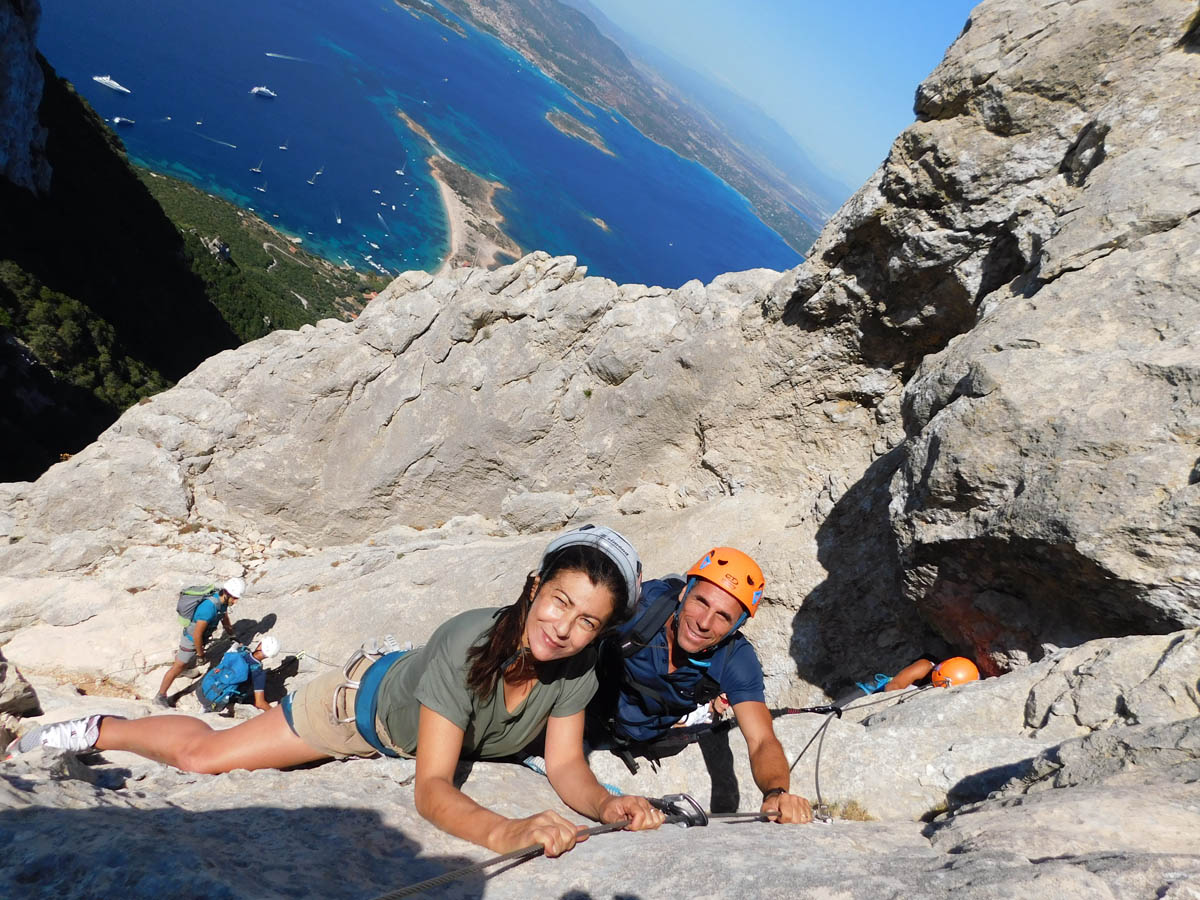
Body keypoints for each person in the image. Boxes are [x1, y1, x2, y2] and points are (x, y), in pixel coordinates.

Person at [7, 525, 666, 856]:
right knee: (203, 757)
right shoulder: (470, 642)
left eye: (589, 621)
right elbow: (432, 789)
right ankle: (99, 731)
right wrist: (506, 831)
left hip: (409, 703)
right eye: (559, 602)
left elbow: (566, 763)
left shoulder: (579, 668)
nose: (566, 628)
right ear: (533, 588)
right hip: (356, 711)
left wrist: (608, 807)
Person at [590, 547, 813, 825]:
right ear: (684, 592)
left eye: (723, 616)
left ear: (737, 627)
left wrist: (776, 792)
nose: (704, 623)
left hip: (644, 738)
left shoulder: (735, 659)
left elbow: (761, 740)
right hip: (583, 718)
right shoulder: (639, 608)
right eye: (701, 602)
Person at [156, 577, 245, 708]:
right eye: (234, 598)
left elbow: (224, 617)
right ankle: (160, 696)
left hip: (199, 638)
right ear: (226, 594)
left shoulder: (222, 602)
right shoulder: (208, 608)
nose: (236, 601)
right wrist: (200, 655)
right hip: (191, 640)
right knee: (178, 665)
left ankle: (183, 669)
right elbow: (197, 634)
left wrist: (231, 634)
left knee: (183, 662)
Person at [197, 636, 281, 714]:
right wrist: (275, 713)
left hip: (202, 688)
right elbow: (260, 703)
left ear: (260, 645)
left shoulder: (239, 651)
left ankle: (204, 706)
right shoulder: (258, 673)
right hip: (216, 702)